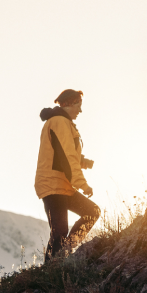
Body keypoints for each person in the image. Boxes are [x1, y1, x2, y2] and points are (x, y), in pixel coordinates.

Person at [34, 89, 99, 262]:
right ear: (69, 103)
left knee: (92, 212)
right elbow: (67, 156)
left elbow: (62, 155)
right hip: (52, 185)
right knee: (59, 232)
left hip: (62, 185)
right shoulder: (59, 122)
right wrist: (82, 184)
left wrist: (83, 162)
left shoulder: (62, 122)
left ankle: (65, 255)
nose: (80, 110)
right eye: (79, 105)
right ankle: (51, 270)